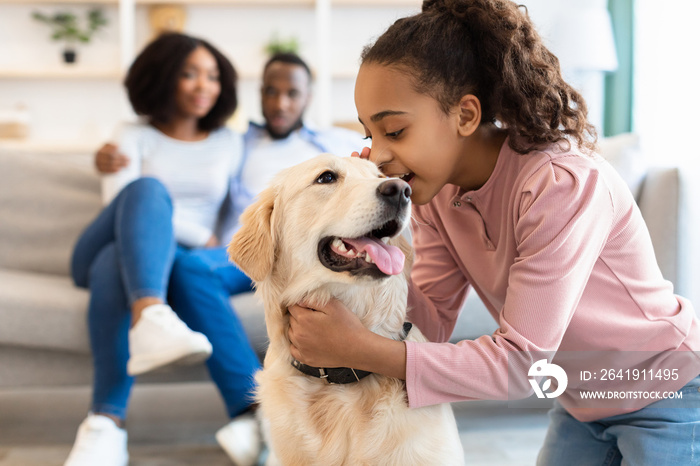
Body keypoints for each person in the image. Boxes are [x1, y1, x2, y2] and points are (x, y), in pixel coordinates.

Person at [285, 1, 700, 464]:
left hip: (669, 390)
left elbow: (522, 365)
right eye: (369, 137)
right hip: (582, 402)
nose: (378, 156)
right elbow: (428, 321)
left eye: (395, 132)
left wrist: (361, 350)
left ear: (465, 115)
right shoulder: (436, 194)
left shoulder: (559, 186)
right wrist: (366, 233)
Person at [89, 51, 365, 464]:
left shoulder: (336, 145)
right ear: (259, 94)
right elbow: (189, 160)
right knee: (190, 267)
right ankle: (256, 413)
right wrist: (107, 159)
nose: (280, 103)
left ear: (308, 97)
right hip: (254, 248)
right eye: (270, 92)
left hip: (314, 253)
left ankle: (247, 419)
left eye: (292, 93)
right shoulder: (236, 143)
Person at [66, 33, 261, 466]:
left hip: (136, 262)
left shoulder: (229, 142)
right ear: (162, 77)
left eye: (212, 76)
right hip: (115, 236)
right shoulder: (131, 134)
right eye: (189, 73)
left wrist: (218, 247)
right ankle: (151, 314)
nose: (202, 85)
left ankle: (104, 425)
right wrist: (201, 236)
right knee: (146, 191)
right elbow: (124, 207)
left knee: (112, 264)